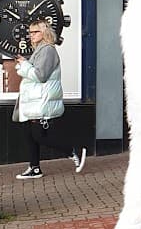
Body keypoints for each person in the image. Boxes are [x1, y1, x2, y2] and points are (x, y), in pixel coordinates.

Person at [13, 18, 86, 179]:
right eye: (30, 32)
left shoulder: (47, 50)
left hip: (41, 100)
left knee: (39, 135)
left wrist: (24, 66)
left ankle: (73, 150)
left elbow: (41, 75)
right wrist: (24, 65)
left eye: (35, 32)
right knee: (29, 134)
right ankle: (34, 167)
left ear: (44, 32)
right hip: (34, 100)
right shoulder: (40, 50)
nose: (31, 35)